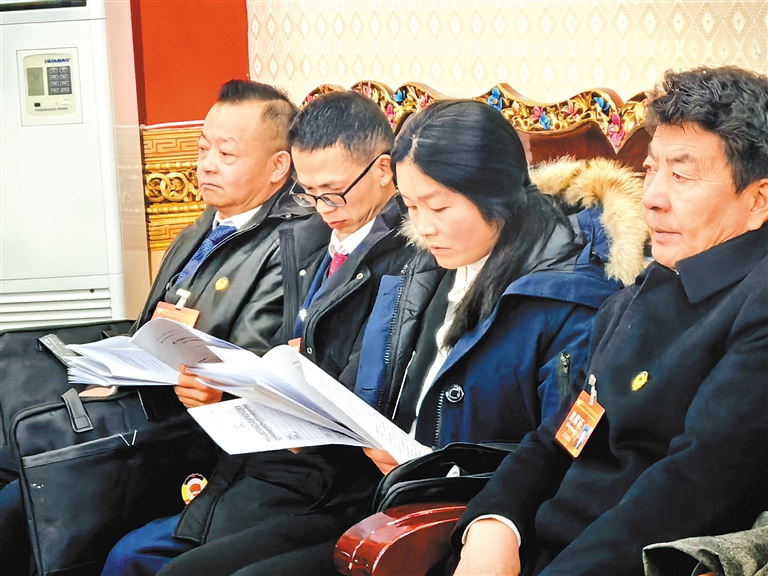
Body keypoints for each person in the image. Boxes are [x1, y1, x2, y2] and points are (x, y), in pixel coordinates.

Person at [231, 100, 648, 575]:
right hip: (379, 495)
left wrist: (430, 465)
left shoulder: (573, 297)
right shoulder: (424, 267)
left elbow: (561, 456)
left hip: (463, 522)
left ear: (498, 193)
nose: (424, 226)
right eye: (411, 206)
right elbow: (371, 391)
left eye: (440, 206)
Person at [0, 79, 330, 575]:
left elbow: (249, 367)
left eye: (227, 153)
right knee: (13, 464)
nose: (207, 164)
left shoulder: (294, 242)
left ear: (278, 166)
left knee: (31, 499)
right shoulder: (208, 224)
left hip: (194, 438)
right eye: (202, 148)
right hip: (149, 403)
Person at [453, 66, 768, 576]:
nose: (652, 197)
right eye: (651, 170)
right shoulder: (642, 291)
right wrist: (494, 523)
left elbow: (697, 487)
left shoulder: (756, 304)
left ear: (758, 200)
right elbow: (562, 435)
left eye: (682, 175)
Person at [103, 90, 416, 576]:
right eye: (309, 193)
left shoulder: (410, 256)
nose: (322, 208)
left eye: (333, 192)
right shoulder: (310, 236)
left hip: (327, 474)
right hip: (263, 453)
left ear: (383, 171)